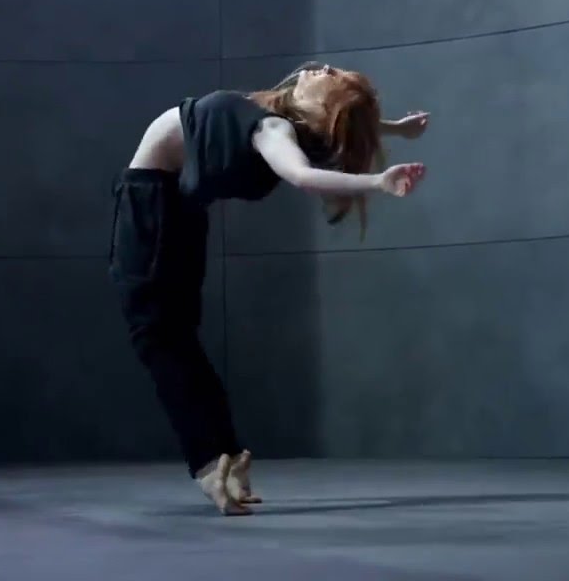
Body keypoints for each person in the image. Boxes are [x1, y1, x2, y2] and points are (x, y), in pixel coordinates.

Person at [107, 61, 429, 516]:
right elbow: (339, 121)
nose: (321, 67)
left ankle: (211, 464)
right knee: (173, 338)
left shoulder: (273, 130)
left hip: (153, 204)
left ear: (325, 106)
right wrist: (395, 128)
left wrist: (377, 181)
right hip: (173, 206)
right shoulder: (283, 119)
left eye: (332, 76)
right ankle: (225, 458)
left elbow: (302, 176)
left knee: (158, 337)